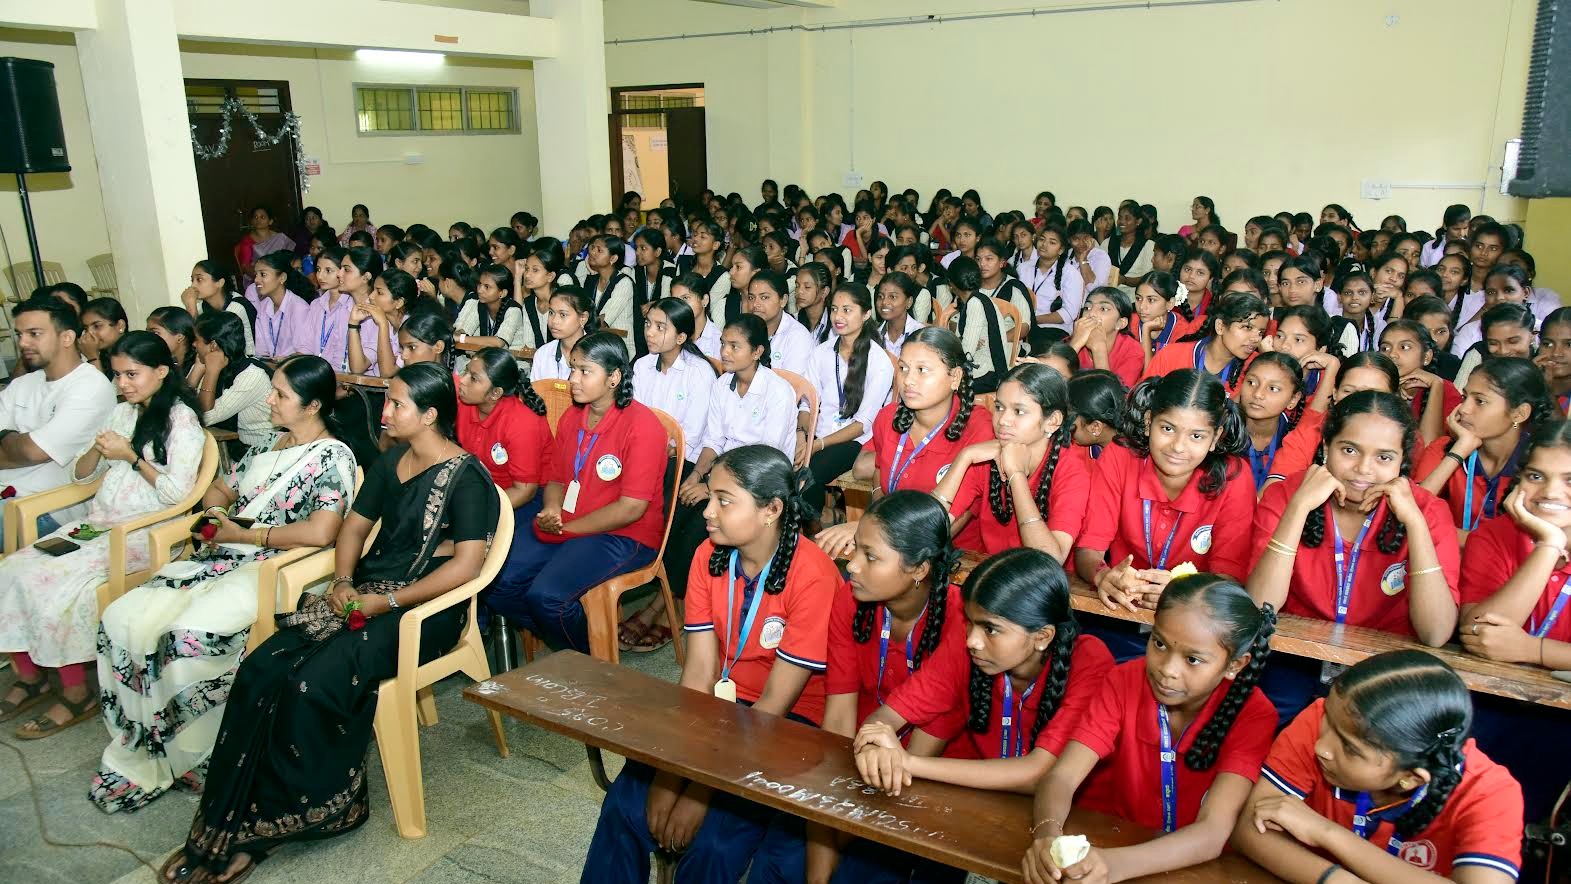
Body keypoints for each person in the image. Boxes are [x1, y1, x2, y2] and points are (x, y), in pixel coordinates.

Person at [155, 362, 497, 884]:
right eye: (388, 402)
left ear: (430, 415)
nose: (385, 412)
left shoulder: (467, 477)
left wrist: (392, 602)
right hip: (363, 594)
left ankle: (297, 816)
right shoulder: (391, 462)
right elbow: (354, 530)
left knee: (310, 683)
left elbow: (466, 566)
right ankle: (226, 819)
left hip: (426, 611)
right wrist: (341, 582)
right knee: (262, 668)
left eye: (397, 404)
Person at [90, 355, 355, 812]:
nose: (268, 400)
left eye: (280, 395)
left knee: (185, 637)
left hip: (278, 569)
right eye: (271, 388)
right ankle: (152, 744)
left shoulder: (333, 456)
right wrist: (214, 515)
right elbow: (222, 490)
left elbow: (321, 533)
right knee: (123, 618)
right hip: (223, 556)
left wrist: (245, 535)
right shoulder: (268, 445)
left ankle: (201, 752)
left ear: (312, 406)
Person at [580, 445, 838, 884]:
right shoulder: (709, 555)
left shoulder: (812, 574)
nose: (708, 512)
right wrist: (669, 773)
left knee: (716, 842)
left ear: (771, 510)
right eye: (711, 496)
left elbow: (776, 703)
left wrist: (700, 789)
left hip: (787, 725)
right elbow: (699, 672)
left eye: (724, 500)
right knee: (626, 804)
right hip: (722, 710)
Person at [750, 491, 967, 884]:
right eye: (855, 550)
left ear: (919, 568)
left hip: (930, 772)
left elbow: (905, 772)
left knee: (866, 871)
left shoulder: (961, 621)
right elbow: (837, 720)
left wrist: (840, 843)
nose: (851, 565)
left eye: (871, 556)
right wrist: (824, 838)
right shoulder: (851, 602)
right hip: (853, 749)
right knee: (779, 860)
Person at [0, 331, 204, 738]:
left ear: (162, 371)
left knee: (57, 585)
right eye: (117, 375)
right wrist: (97, 450)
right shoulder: (122, 412)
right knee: (14, 568)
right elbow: (82, 473)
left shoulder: (182, 421)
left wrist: (130, 456)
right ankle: (30, 675)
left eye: (133, 374)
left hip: (143, 532)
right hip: (101, 525)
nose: (124, 384)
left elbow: (176, 494)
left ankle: (77, 692)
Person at [1022, 573, 1277, 884]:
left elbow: (1212, 832)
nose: (1167, 669)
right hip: (1119, 840)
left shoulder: (1254, 714)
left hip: (1191, 868)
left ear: (1234, 665)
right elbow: (1062, 776)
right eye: (1159, 643)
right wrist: (1047, 835)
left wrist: (1111, 865)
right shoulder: (1124, 680)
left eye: (1193, 659)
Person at [1233, 651, 1524, 884]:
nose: (1322, 747)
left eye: (1349, 748)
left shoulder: (1491, 794)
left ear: (1410, 778)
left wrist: (1326, 832)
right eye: (1328, 722)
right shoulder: (1324, 720)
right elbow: (1250, 832)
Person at [485, 333, 665, 652]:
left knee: (547, 596)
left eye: (585, 371)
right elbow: (555, 475)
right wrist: (553, 508)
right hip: (570, 522)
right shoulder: (573, 416)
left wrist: (566, 528)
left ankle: (588, 658)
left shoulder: (643, 426)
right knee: (497, 580)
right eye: (572, 369)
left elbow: (631, 509)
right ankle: (569, 637)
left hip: (625, 535)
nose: (573, 380)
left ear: (614, 377)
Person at [1075, 370, 1254, 660]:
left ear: (1215, 438)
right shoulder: (1120, 457)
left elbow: (1229, 578)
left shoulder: (1234, 477)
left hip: (1194, 629)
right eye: (1167, 429)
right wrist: (1104, 576)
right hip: (1121, 612)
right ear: (1148, 423)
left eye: (1196, 436)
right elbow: (1089, 551)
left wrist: (1182, 593)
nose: (1178, 447)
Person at [815, 328, 993, 559]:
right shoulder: (890, 417)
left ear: (955, 377)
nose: (908, 380)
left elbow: (948, 524)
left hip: (952, 557)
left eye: (922, 370)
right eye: (903, 368)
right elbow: (879, 469)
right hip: (888, 544)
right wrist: (876, 519)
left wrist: (870, 529)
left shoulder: (979, 429)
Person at [665, 315, 799, 599]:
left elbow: (765, 456)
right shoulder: (723, 383)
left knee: (697, 530)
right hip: (725, 473)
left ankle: (674, 604)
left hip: (761, 481)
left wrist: (712, 488)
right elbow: (713, 441)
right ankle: (666, 593)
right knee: (674, 510)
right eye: (724, 343)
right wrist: (694, 477)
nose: (724, 352)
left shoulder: (778, 392)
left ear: (757, 352)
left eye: (734, 346)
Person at [931, 363, 1088, 559]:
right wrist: (964, 458)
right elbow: (926, 531)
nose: (1003, 420)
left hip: (1042, 585)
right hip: (995, 575)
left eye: (1019, 411)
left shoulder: (1072, 469)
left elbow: (1050, 559)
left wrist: (1016, 475)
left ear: (1053, 420)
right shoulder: (986, 455)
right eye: (999, 407)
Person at [0, 298, 117, 544]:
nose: (22, 342)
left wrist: (6, 437)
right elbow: (29, 450)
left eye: (34, 334)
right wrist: (18, 443)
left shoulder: (89, 387)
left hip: (44, 510)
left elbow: (34, 451)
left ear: (66, 338)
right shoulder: (23, 385)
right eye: (20, 334)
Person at [1414, 356, 1548, 536]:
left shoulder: (1540, 465)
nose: (1463, 409)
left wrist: (1448, 534)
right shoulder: (1445, 448)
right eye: (1465, 397)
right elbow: (1411, 511)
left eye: (1480, 401)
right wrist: (1460, 450)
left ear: (1519, 414)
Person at [804, 282, 894, 518]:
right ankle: (820, 520)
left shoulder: (878, 360)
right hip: (819, 432)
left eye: (847, 310)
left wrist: (816, 445)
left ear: (865, 314)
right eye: (834, 309)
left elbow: (863, 424)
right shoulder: (821, 353)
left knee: (811, 472)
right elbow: (807, 403)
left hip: (858, 440)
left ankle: (810, 531)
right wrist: (803, 436)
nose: (838, 316)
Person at [456, 346, 552, 513]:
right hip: (482, 487)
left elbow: (525, 491)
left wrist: (476, 511)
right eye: (466, 371)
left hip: (529, 496)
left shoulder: (522, 424)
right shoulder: (464, 403)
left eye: (473, 378)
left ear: (495, 393)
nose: (462, 380)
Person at [1141, 292, 1268, 393]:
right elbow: (1142, 399)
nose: (1256, 339)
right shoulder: (1172, 355)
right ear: (1220, 326)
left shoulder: (1256, 367)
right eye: (1247, 327)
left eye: (1260, 332)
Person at [190, 312, 277, 452]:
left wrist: (211, 372)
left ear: (213, 345)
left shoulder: (251, 375)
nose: (193, 344)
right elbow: (181, 406)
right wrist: (197, 370)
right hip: (236, 448)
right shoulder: (220, 364)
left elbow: (203, 417)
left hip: (261, 451)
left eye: (197, 339)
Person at [1378, 319, 1458, 445]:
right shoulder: (1374, 385)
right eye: (1385, 348)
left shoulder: (1446, 390)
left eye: (1404, 347)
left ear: (1426, 357)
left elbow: (1428, 446)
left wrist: (1436, 385)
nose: (1392, 354)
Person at [1238, 352, 1304, 491]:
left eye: (1273, 388)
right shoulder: (1221, 431)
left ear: (1293, 399)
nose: (1257, 394)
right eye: (1251, 382)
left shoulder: (1294, 439)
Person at [453, 263, 525, 375]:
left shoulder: (513, 310)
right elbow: (461, 331)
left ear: (502, 293)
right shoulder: (479, 304)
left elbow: (498, 342)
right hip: (489, 365)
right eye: (479, 284)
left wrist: (462, 338)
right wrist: (461, 334)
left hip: (513, 366)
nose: (480, 290)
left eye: (487, 287)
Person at [1068, 286, 1145, 388]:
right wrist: (1074, 345)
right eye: (1087, 308)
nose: (1091, 314)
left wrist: (1099, 349)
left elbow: (1113, 399)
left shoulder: (1132, 351)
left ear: (1121, 323)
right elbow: (1049, 387)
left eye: (1103, 309)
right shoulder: (1071, 340)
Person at [746, 269, 815, 377]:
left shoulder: (798, 337)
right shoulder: (743, 329)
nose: (755, 304)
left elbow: (793, 386)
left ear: (783, 300)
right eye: (751, 297)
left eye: (764, 297)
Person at [251, 252, 315, 361]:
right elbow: (261, 352)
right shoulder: (263, 306)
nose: (256, 280)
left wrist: (284, 360)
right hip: (272, 367)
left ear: (282, 278)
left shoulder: (298, 308)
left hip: (294, 369)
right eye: (256, 274)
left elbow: (305, 352)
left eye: (263, 274)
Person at [530, 285, 594, 383]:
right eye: (551, 313)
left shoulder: (597, 354)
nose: (554, 321)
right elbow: (534, 395)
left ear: (583, 318)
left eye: (563, 315)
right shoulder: (543, 354)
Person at [81, 297, 128, 378]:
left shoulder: (135, 354)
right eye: (86, 329)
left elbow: (103, 389)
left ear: (120, 326)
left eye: (97, 326)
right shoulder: (103, 356)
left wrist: (93, 358)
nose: (89, 333)